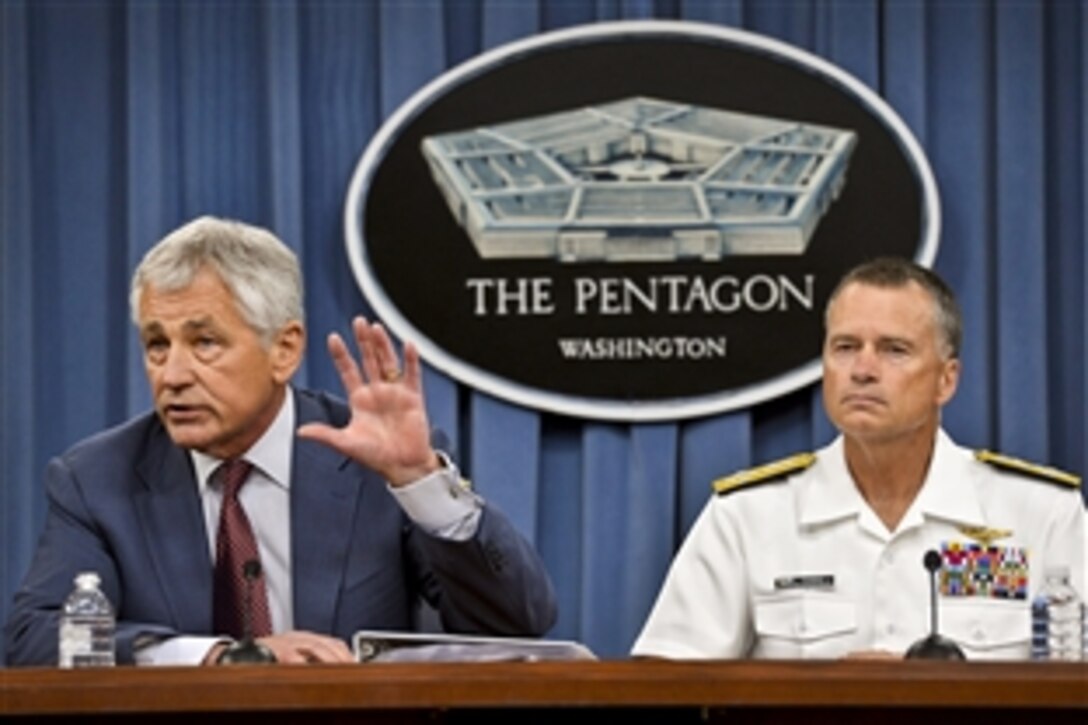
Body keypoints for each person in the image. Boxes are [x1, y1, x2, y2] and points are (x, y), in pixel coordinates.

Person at [4, 216, 556, 666]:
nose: (171, 374)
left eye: (204, 343)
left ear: (284, 350)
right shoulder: (97, 479)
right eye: (156, 344)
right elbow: (32, 640)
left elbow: (516, 623)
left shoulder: (372, 460)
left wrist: (420, 482)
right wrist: (222, 656)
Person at [632, 257, 1084, 660]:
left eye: (894, 350)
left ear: (946, 381)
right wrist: (836, 696)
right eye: (845, 347)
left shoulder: (1042, 514)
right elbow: (668, 686)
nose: (863, 370)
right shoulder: (748, 516)